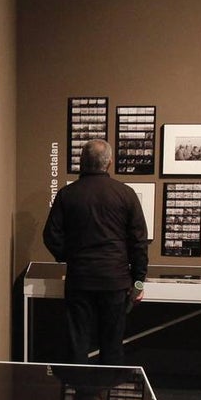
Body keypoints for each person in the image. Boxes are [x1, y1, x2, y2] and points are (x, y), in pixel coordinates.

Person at [43, 139, 149, 365]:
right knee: (112, 345)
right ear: (109, 163)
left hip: (80, 280)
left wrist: (68, 256)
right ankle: (106, 394)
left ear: (82, 162)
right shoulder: (126, 194)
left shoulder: (67, 194)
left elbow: (51, 236)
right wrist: (138, 282)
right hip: (115, 282)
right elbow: (139, 242)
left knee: (77, 344)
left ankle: (79, 394)